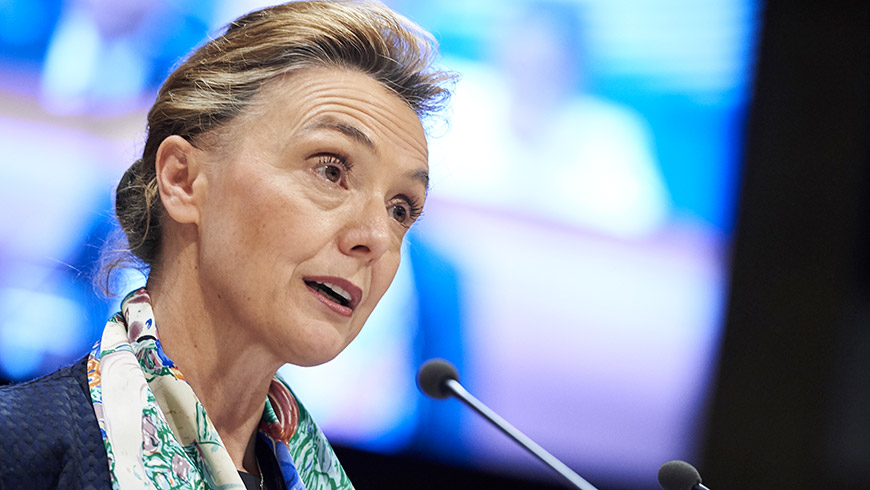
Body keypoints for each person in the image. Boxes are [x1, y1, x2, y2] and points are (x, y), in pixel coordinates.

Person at [0, 1, 453, 489]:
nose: (377, 238)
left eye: (401, 208)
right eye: (330, 170)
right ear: (183, 180)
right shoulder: (19, 454)